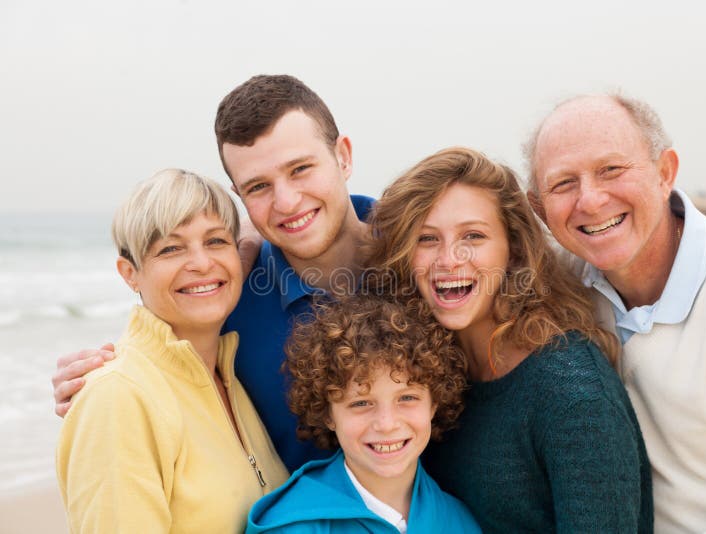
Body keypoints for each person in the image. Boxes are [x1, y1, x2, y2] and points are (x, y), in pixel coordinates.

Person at [51, 75, 373, 472]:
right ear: (240, 195)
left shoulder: (426, 255)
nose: (287, 202)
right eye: (258, 187)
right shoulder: (226, 301)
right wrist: (98, 380)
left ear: (343, 156)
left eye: (301, 169)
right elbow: (157, 354)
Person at [526, 94, 706, 532]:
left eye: (611, 170)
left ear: (664, 172)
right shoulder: (561, 286)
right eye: (563, 184)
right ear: (540, 209)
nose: (591, 200)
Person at [366, 147, 653, 533]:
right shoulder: (426, 373)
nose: (449, 259)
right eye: (427, 239)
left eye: (474, 235)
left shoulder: (572, 392)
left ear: (514, 249)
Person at [56, 169, 289, 533]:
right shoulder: (118, 398)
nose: (200, 262)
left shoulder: (230, 377)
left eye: (215, 241)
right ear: (129, 273)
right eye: (171, 248)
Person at [246, 295, 481, 533]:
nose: (386, 424)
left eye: (407, 398)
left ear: (434, 404)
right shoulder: (291, 525)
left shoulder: (459, 522)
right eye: (361, 403)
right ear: (328, 414)